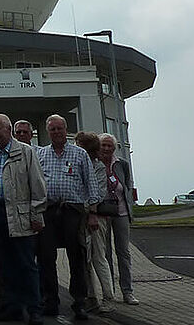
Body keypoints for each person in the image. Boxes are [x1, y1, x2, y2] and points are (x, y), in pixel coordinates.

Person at [0, 114, 47, 325]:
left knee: (26, 265)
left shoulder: (26, 152)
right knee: (5, 266)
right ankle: (13, 307)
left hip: (20, 215)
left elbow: (37, 185)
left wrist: (36, 214)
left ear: (8, 129)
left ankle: (34, 309)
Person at [35, 115, 98, 321]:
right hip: (49, 210)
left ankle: (79, 302)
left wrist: (93, 214)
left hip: (73, 210)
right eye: (52, 129)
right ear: (47, 131)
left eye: (59, 129)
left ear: (66, 129)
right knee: (46, 257)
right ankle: (50, 300)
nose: (56, 132)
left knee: (76, 257)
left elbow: (92, 185)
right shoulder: (41, 154)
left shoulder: (79, 154)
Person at [74, 132, 114, 314]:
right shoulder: (80, 163)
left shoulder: (96, 167)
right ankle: (92, 296)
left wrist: (91, 212)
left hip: (95, 216)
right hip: (81, 215)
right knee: (85, 259)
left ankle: (108, 296)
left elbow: (95, 192)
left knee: (98, 257)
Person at [98, 134, 138, 305]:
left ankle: (127, 291)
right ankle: (109, 291)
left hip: (121, 212)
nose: (106, 149)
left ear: (114, 148)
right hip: (102, 213)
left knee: (123, 252)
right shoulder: (95, 163)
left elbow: (127, 186)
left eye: (109, 146)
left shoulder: (122, 164)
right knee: (105, 254)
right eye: (103, 145)